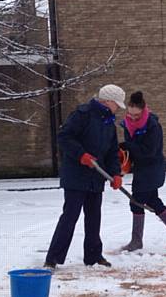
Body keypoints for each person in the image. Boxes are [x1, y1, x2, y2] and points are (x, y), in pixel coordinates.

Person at [44, 84, 126, 269]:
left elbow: (112, 151)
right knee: (70, 216)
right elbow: (64, 137)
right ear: (107, 101)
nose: (117, 108)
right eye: (116, 104)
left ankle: (93, 256)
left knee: (94, 217)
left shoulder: (108, 123)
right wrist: (81, 154)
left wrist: (115, 173)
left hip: (96, 177)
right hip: (76, 176)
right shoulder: (83, 114)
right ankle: (53, 258)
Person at [120, 91, 166, 251]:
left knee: (136, 202)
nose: (133, 118)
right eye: (130, 115)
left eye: (137, 115)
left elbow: (148, 151)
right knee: (153, 201)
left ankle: (136, 241)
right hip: (142, 170)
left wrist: (128, 146)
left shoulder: (152, 126)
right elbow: (132, 149)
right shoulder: (128, 125)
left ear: (143, 111)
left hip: (151, 168)